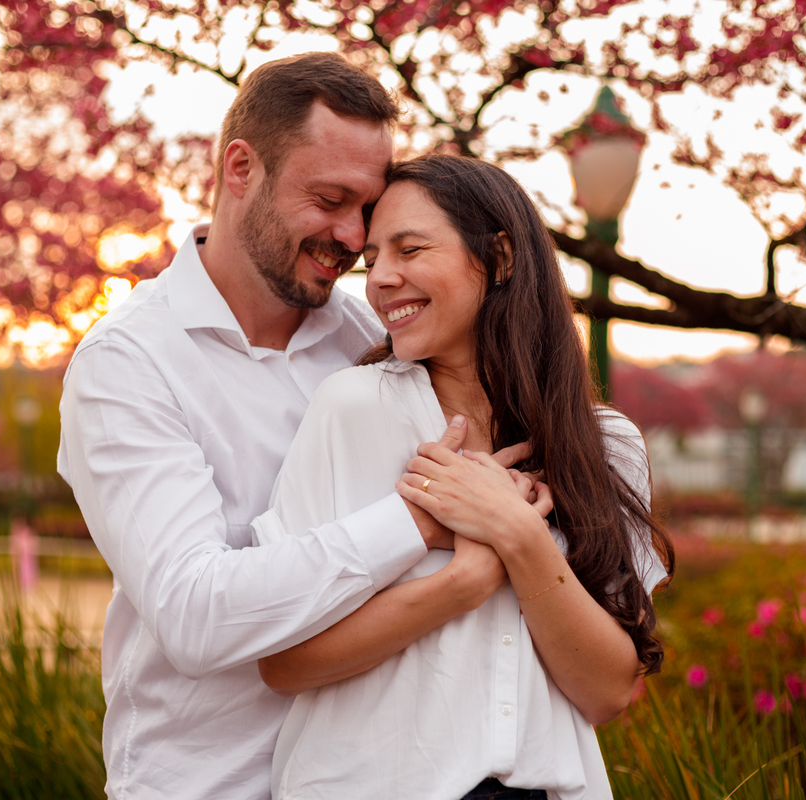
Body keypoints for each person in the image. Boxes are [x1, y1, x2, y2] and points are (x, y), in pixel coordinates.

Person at [57, 54, 535, 800]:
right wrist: (416, 521)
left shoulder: (377, 335)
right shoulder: (128, 363)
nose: (351, 238)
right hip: (206, 786)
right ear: (240, 168)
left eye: (367, 213)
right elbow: (195, 614)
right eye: (329, 199)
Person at [254, 155, 675, 800]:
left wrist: (518, 537)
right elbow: (284, 662)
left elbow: (609, 689)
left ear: (500, 258)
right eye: (372, 261)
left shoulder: (606, 444)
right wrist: (467, 578)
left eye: (411, 249)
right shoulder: (353, 410)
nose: (382, 279)